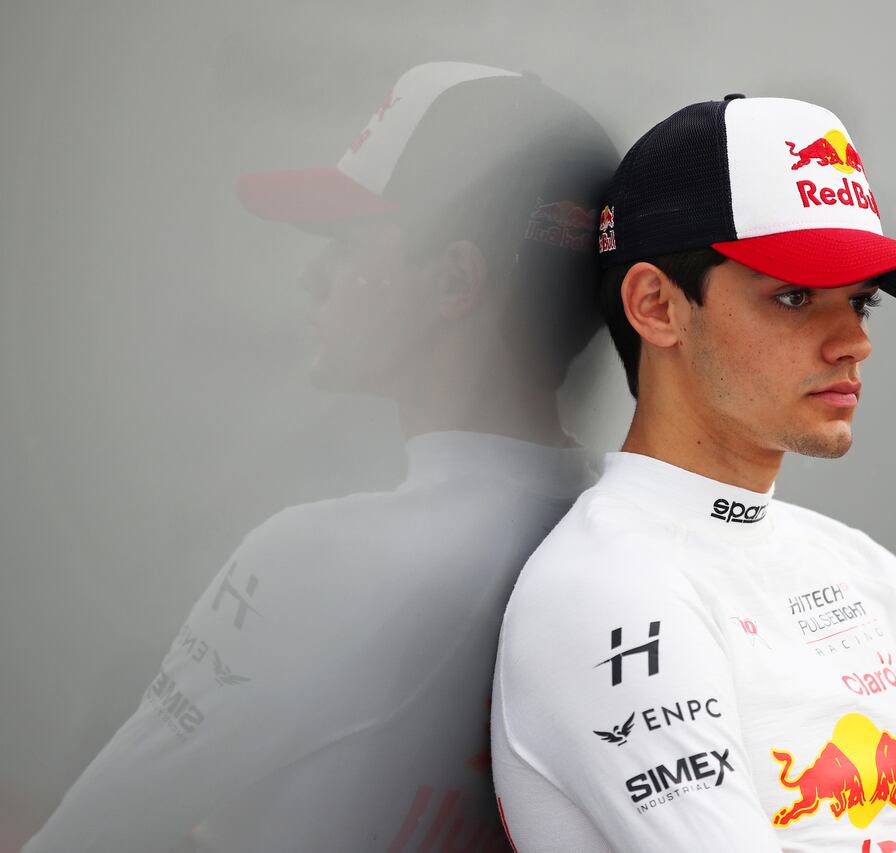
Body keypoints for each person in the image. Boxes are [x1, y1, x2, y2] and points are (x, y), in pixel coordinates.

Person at [23, 62, 614, 853]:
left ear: (453, 281)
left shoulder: (319, 562)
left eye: (347, 240)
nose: (314, 277)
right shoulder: (643, 542)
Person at [491, 94, 896, 853]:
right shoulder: (608, 590)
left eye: (862, 301)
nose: (853, 342)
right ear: (657, 306)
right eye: (795, 296)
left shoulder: (869, 574)